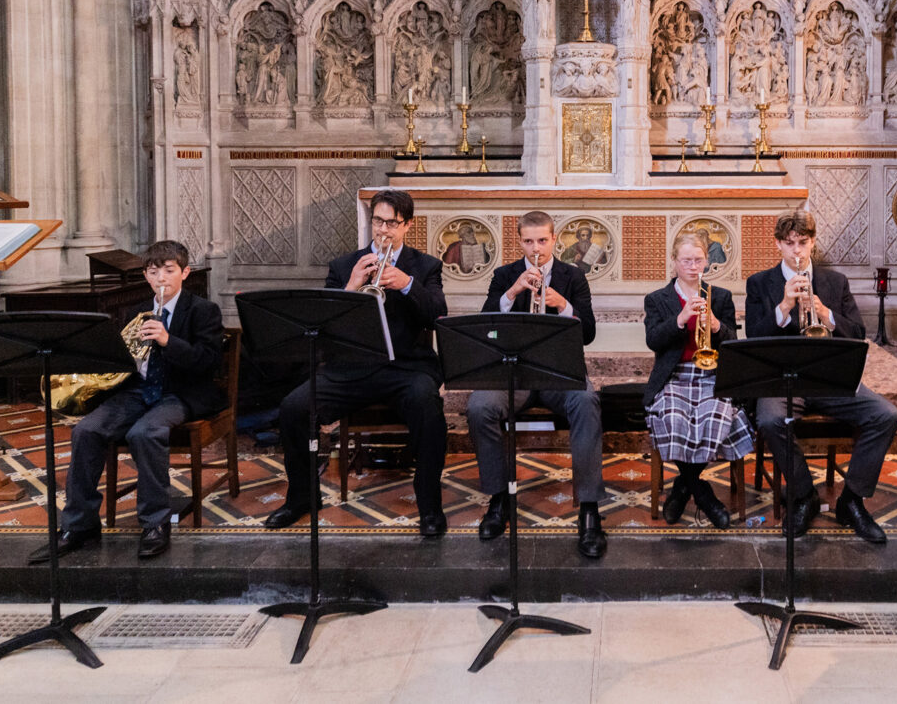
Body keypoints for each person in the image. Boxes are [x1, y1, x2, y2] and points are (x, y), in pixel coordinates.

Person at [264, 189, 451, 538]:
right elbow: (323, 327)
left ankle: (429, 505)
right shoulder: (343, 266)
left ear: (406, 225)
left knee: (429, 408)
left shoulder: (425, 267)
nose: (383, 230)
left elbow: (437, 316)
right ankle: (303, 497)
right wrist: (351, 287)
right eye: (378, 221)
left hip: (405, 368)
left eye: (391, 223)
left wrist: (407, 284)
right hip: (350, 369)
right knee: (293, 407)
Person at [31, 240, 224, 564]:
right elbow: (119, 362)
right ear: (146, 276)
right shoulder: (134, 311)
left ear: (185, 273)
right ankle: (79, 525)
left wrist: (167, 340)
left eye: (169, 270)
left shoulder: (203, 310)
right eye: (153, 271)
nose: (161, 277)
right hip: (138, 391)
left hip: (180, 392)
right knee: (86, 431)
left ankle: (154, 525)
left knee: (144, 433)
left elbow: (207, 362)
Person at [745, 211, 897, 544]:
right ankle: (803, 496)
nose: (797, 251)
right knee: (770, 420)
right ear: (778, 245)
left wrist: (827, 314)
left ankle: (852, 501)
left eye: (803, 242)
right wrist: (783, 307)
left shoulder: (834, 282)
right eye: (790, 244)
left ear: (812, 242)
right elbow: (752, 338)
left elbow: (858, 332)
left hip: (829, 376)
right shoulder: (760, 283)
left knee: (885, 414)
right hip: (782, 377)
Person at [466, 211, 607, 559]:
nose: (536, 248)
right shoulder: (504, 276)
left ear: (554, 239)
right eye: (528, 241)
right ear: (519, 241)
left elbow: (587, 332)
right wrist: (512, 293)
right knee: (479, 407)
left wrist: (563, 305)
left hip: (559, 371)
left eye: (542, 241)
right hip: (513, 372)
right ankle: (499, 500)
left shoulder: (573, 276)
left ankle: (589, 510)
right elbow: (486, 326)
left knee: (587, 402)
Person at [642, 232, 752, 529]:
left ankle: (682, 487)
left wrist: (715, 324)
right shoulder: (658, 299)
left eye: (699, 260)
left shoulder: (721, 297)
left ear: (707, 262)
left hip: (712, 374)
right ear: (675, 262)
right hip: (674, 375)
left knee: (714, 416)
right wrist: (680, 319)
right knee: (674, 417)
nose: (693, 266)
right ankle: (701, 492)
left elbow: (732, 343)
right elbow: (654, 341)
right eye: (686, 260)